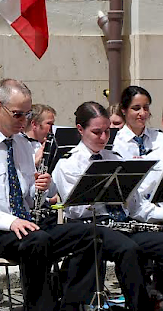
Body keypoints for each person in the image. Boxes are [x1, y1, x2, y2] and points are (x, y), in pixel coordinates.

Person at [0, 79, 97, 311]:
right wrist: (11, 221)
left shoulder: (23, 144)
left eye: (28, 114)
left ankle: (70, 303)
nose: (24, 121)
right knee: (38, 242)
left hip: (27, 226)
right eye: (17, 114)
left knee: (90, 234)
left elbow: (29, 196)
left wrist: (43, 188)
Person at [53, 100, 161, 311]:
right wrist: (99, 191)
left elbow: (136, 206)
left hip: (122, 225)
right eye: (96, 132)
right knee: (129, 249)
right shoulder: (68, 163)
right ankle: (138, 306)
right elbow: (74, 211)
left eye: (107, 132)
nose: (103, 138)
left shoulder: (115, 158)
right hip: (92, 229)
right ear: (80, 129)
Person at [113, 86, 163, 297]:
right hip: (132, 218)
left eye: (146, 108)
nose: (142, 113)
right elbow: (129, 197)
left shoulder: (160, 139)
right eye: (136, 108)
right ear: (124, 110)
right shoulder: (115, 143)